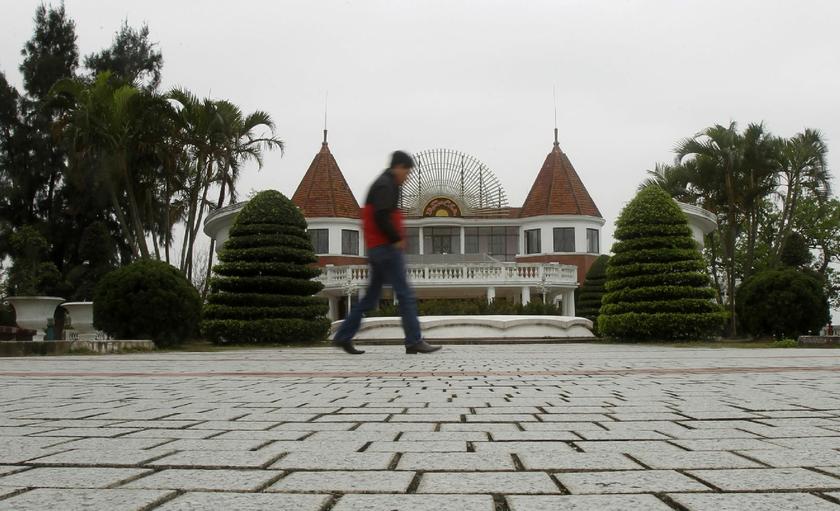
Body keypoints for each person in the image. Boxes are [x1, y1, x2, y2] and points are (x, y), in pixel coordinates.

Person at [332, 151, 441, 355]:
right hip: (386, 249)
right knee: (405, 294)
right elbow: (382, 216)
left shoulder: (385, 184)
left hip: (377, 249)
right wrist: (396, 239)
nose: (407, 176)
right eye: (406, 171)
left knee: (370, 297)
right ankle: (414, 340)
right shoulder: (386, 185)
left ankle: (344, 335)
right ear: (398, 167)